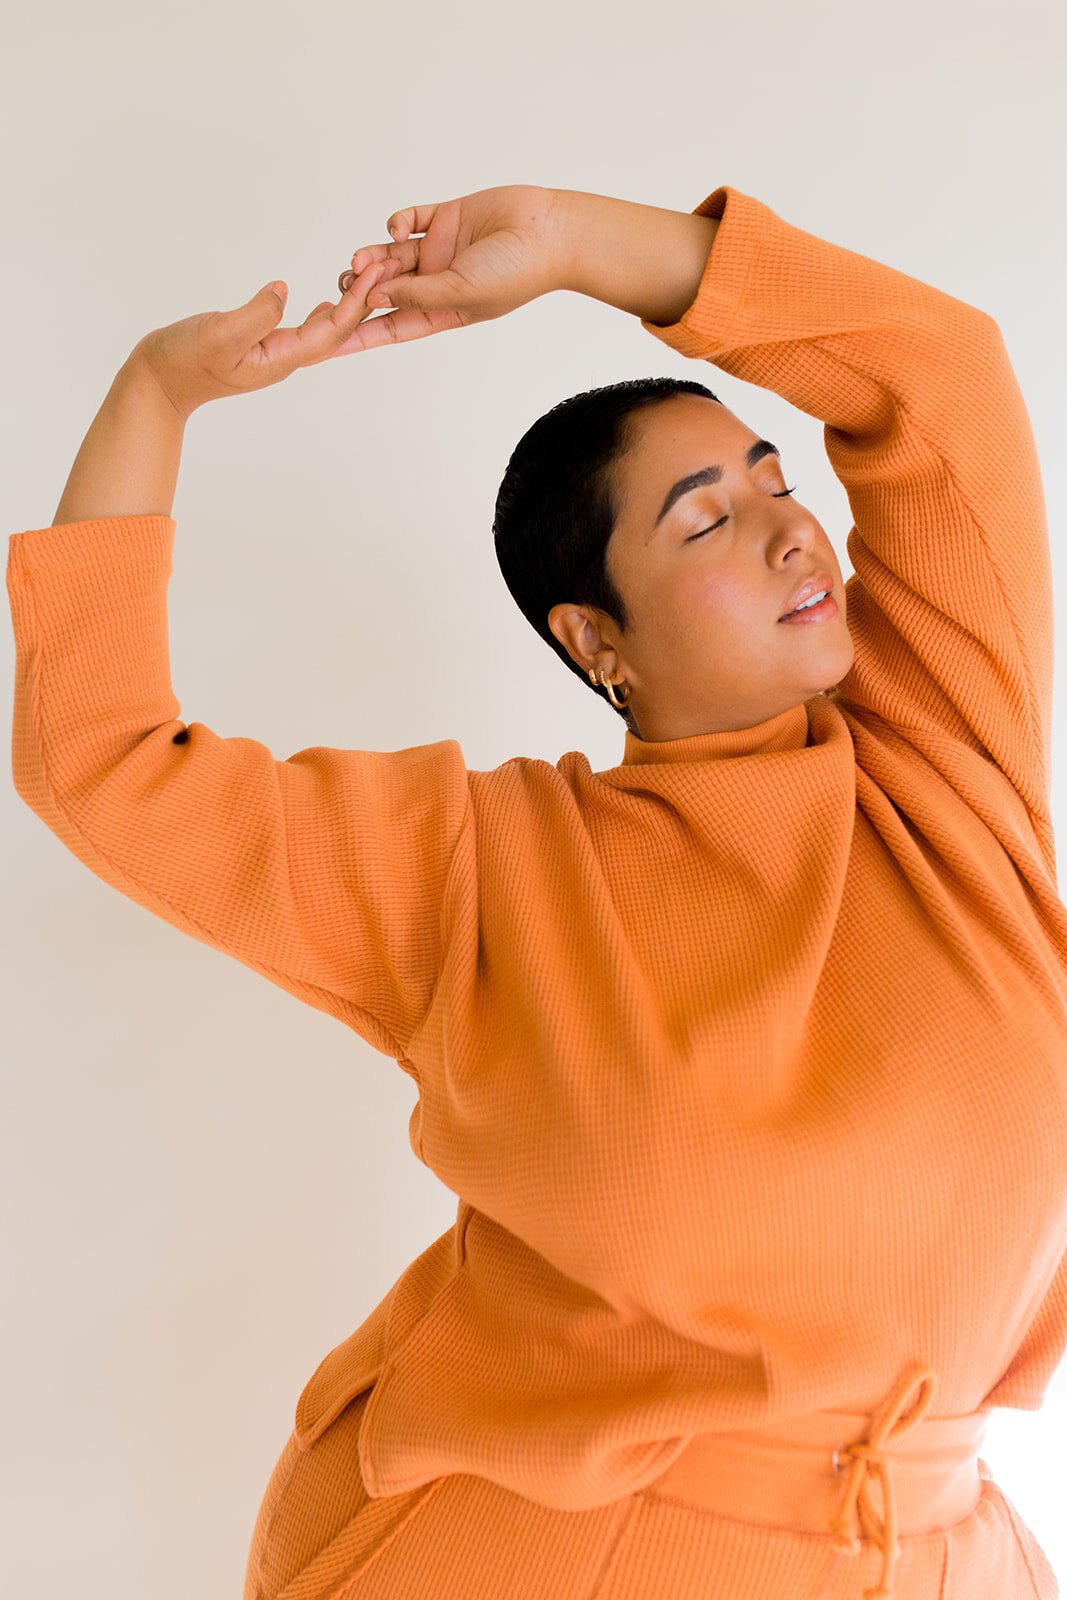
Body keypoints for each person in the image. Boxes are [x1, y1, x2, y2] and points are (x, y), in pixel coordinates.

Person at [7, 181, 1066, 1600]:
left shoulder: (951, 766)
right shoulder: (485, 870)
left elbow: (933, 376)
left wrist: (576, 247)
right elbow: (106, 758)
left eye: (775, 480)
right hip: (554, 1559)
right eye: (704, 523)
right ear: (596, 638)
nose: (789, 531)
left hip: (939, 1558)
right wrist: (155, 395)